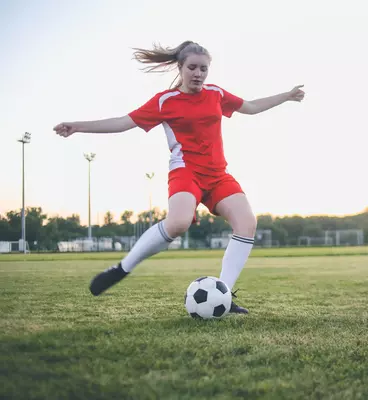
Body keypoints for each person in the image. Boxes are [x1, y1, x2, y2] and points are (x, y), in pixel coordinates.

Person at [54, 40, 305, 314]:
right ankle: (122, 268)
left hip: (218, 174)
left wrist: (288, 95)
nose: (198, 74)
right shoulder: (165, 101)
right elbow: (123, 122)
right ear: (181, 67)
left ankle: (225, 294)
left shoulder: (216, 94)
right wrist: (77, 126)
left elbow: (252, 107)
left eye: (204, 69)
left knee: (247, 223)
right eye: (193, 68)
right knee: (178, 223)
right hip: (186, 172)